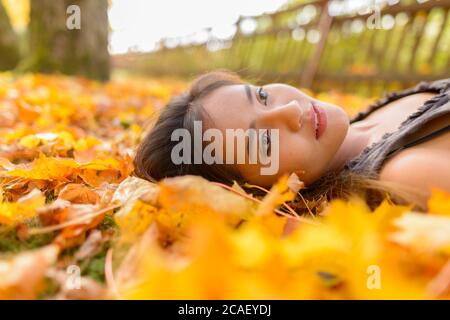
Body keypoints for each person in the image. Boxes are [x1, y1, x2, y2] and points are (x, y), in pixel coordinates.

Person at [134, 70, 450, 213]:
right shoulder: (407, 174)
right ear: (262, 194)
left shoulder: (371, 117)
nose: (290, 110)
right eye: (264, 143)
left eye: (262, 96)